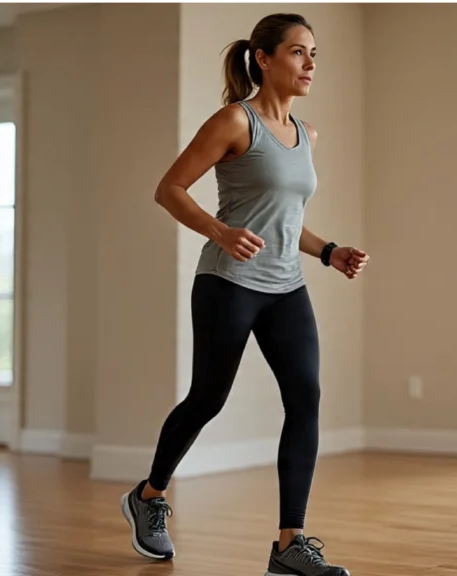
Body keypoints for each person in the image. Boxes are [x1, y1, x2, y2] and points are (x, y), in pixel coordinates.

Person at [119, 12, 367, 576]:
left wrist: (329, 251)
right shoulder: (236, 120)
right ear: (264, 58)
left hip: (286, 287)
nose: (310, 64)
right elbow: (169, 189)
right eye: (299, 52)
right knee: (208, 398)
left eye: (314, 54)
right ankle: (149, 496)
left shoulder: (305, 134)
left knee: (305, 399)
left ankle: (289, 545)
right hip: (228, 283)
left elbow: (283, 218)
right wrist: (220, 231)